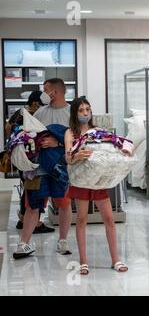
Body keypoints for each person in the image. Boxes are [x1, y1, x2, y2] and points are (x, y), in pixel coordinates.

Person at [65, 97, 129, 275]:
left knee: (109, 219)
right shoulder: (70, 133)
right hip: (81, 180)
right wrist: (78, 155)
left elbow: (113, 147)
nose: (85, 113)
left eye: (87, 109)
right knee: (82, 219)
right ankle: (83, 261)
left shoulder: (98, 131)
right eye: (81, 110)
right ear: (75, 113)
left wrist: (123, 150)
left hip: (99, 180)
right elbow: (67, 158)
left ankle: (115, 259)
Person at [13, 78, 72, 259]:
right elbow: (29, 135)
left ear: (55, 92)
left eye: (46, 90)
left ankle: (63, 241)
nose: (43, 93)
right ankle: (24, 244)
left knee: (63, 203)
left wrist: (58, 141)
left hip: (61, 168)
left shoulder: (72, 113)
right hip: (38, 168)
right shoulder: (39, 112)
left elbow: (79, 140)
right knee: (32, 205)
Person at [5, 90, 55, 234]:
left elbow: (8, 128)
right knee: (34, 189)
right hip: (31, 158)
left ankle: (23, 219)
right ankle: (34, 223)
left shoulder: (20, 112)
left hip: (20, 156)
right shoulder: (33, 115)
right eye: (41, 105)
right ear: (34, 104)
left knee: (27, 188)